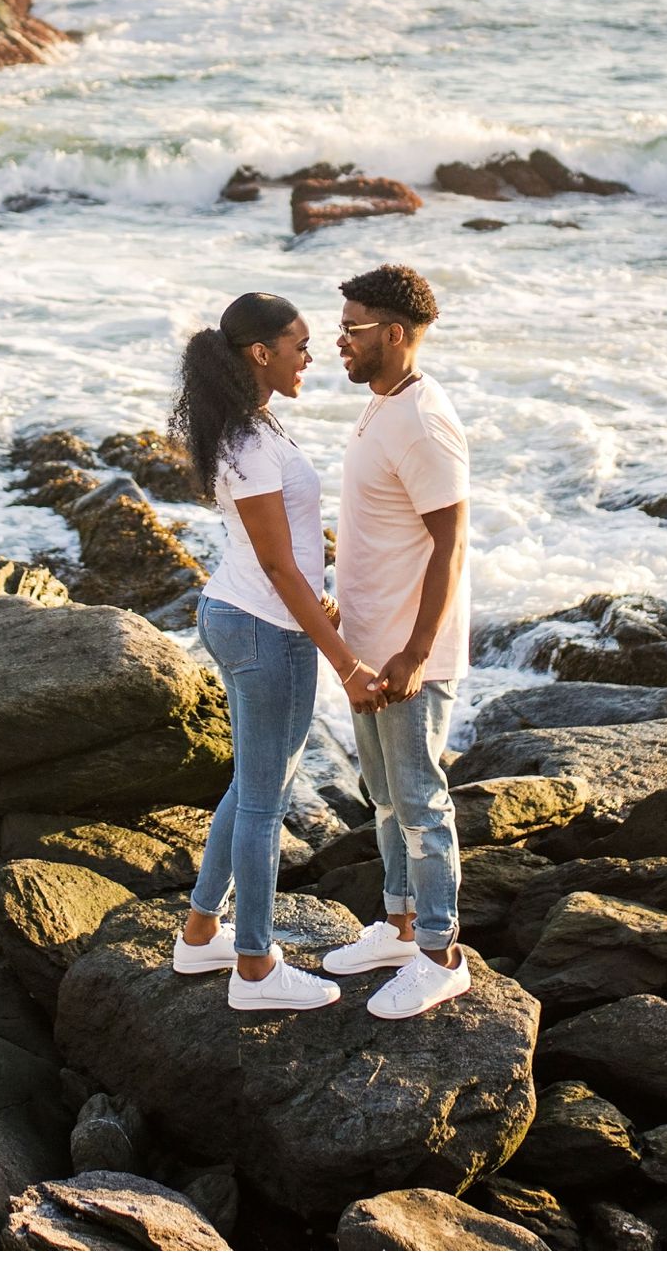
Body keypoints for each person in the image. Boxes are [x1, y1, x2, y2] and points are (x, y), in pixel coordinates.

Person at [167, 290, 390, 1011]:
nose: (311, 354)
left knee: (249, 786)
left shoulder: (250, 426)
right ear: (259, 352)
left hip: (242, 613)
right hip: (263, 624)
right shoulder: (247, 440)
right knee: (264, 801)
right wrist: (345, 660)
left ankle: (203, 932)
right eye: (298, 343)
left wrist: (320, 597)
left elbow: (283, 555)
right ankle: (256, 969)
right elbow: (277, 565)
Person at [316, 261, 475, 1017]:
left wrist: (415, 650)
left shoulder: (422, 419)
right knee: (381, 797)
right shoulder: (382, 404)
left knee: (418, 801)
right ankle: (398, 924)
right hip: (369, 648)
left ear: (393, 333)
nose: (335, 340)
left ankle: (441, 953)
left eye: (349, 328)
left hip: (411, 655)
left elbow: (450, 543)